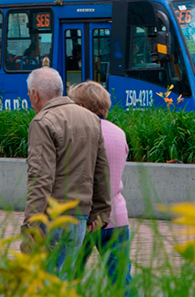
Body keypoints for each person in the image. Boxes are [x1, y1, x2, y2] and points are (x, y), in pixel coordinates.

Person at [23, 68, 112, 279]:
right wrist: (101, 212)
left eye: (28, 94)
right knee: (64, 281)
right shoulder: (91, 118)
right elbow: (101, 170)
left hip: (53, 219)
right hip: (80, 218)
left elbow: (40, 178)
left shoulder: (42, 121)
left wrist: (31, 223)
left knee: (46, 283)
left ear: (35, 94)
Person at [69, 81, 134, 294]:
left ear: (80, 107)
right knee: (122, 282)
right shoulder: (119, 132)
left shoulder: (78, 133)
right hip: (116, 216)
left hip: (84, 217)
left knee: (69, 279)